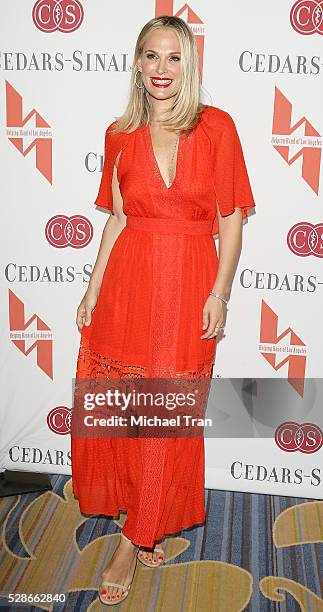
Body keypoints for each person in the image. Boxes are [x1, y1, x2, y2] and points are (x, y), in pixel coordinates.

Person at [71, 15, 255, 606]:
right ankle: (143, 520)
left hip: (190, 284)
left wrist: (220, 294)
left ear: (190, 65)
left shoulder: (217, 128)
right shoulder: (118, 135)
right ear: (137, 62)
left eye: (173, 57)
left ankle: (135, 536)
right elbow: (118, 221)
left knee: (168, 414)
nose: (161, 69)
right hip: (129, 282)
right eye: (151, 56)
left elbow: (230, 219)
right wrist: (92, 291)